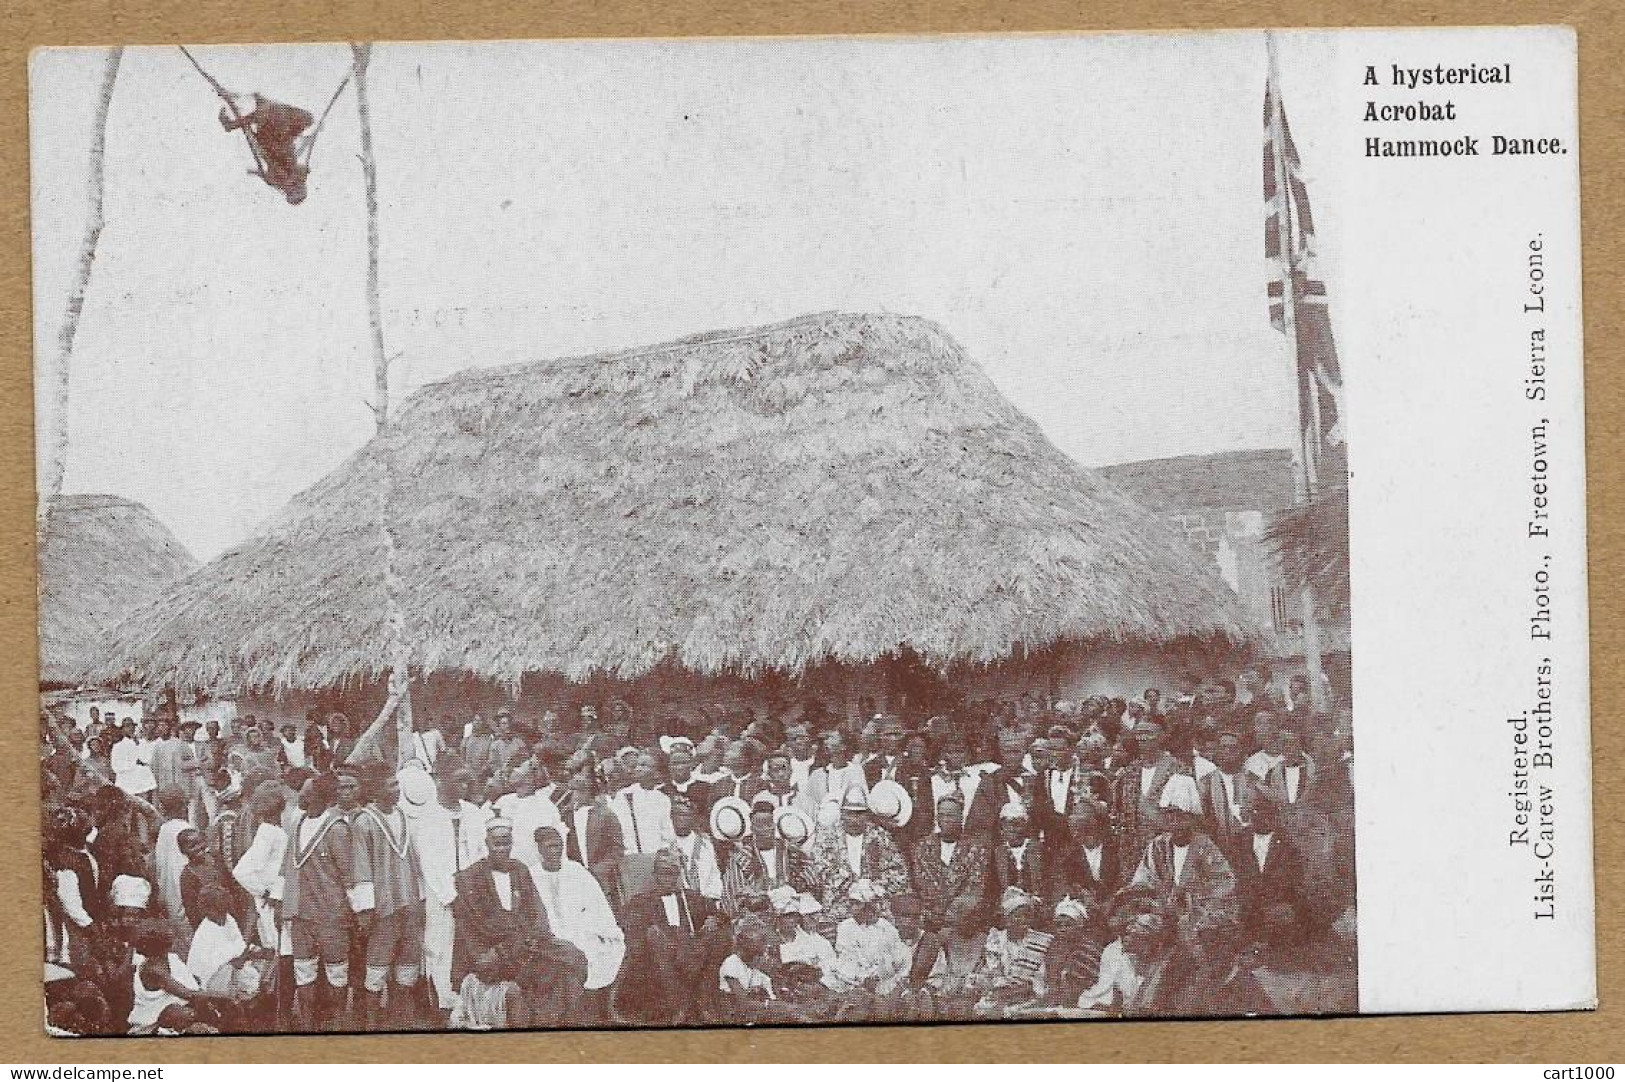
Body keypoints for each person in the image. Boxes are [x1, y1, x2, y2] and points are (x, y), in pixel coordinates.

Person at [450, 817, 589, 1028]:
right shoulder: (469, 877)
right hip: (492, 951)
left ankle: (553, 1024)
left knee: (572, 957)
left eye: (506, 843)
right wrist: (516, 940)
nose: (502, 849)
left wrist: (531, 937)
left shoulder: (519, 870)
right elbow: (479, 926)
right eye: (497, 843)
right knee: (536, 971)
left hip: (525, 944)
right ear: (486, 844)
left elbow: (537, 913)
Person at [350, 770, 427, 1030]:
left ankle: (399, 1018)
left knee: (408, 963)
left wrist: (422, 899)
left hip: (410, 903)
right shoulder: (364, 822)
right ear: (375, 790)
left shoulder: (403, 815)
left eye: (397, 784)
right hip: (384, 908)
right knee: (377, 966)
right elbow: (361, 869)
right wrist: (365, 911)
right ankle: (371, 1022)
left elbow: (414, 861)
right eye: (391, 785)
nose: (397, 789)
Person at [278, 774, 355, 1031]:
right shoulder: (298, 822)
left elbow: (349, 876)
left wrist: (355, 912)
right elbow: (287, 868)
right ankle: (309, 1026)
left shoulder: (337, 828)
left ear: (319, 797)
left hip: (331, 916)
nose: (300, 794)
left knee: (337, 974)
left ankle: (338, 1025)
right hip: (301, 915)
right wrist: (284, 904)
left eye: (305, 791)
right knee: (304, 974)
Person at [617, 848, 726, 1025]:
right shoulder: (641, 901)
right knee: (655, 938)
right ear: (655, 874)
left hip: (693, 951)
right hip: (661, 956)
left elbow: (719, 914)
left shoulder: (692, 897)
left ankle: (704, 1004)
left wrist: (712, 919)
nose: (669, 877)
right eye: (664, 872)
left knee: (719, 938)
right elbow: (631, 928)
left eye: (674, 872)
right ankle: (679, 1006)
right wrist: (651, 932)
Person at [410, 767, 487, 1019]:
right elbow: (429, 864)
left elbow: (480, 854)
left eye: (467, 781)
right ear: (440, 781)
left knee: (472, 946)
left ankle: (471, 1004)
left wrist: (474, 892)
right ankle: (444, 1005)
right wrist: (451, 897)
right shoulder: (427, 817)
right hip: (441, 897)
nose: (465, 786)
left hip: (473, 896)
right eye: (458, 780)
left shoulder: (474, 813)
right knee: (440, 948)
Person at [1130, 775, 1240, 947]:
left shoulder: (1206, 847)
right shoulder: (1157, 846)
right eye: (1169, 817)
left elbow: (1224, 886)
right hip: (1160, 917)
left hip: (1197, 921)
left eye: (1180, 817)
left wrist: (1187, 903)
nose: (1175, 824)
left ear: (1192, 818)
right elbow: (1142, 882)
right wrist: (1155, 904)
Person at [527, 826, 625, 1019]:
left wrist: (604, 932)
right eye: (551, 846)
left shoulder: (577, 871)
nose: (556, 851)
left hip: (582, 933)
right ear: (539, 849)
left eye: (559, 846)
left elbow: (599, 908)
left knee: (600, 953)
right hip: (549, 941)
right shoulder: (530, 876)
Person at [809, 785, 911, 927]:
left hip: (875, 905)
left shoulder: (880, 836)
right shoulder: (827, 837)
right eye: (850, 814)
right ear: (842, 813)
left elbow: (899, 871)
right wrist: (851, 885)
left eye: (860, 814)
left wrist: (875, 888)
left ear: (868, 814)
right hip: (839, 905)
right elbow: (820, 868)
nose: (855, 820)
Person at [722, 792, 813, 917]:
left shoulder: (789, 850)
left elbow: (811, 873)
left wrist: (799, 883)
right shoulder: (742, 858)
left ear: (774, 826)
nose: (766, 829)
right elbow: (735, 894)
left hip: (793, 909)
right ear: (752, 828)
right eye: (760, 825)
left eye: (769, 824)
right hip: (758, 913)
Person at [909, 792, 989, 931]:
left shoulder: (976, 849)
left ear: (961, 818)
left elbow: (974, 889)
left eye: (951, 815)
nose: (945, 820)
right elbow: (920, 884)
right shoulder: (922, 847)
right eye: (941, 815)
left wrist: (952, 916)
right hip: (928, 923)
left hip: (960, 924)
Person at [217, 92, 314, 204]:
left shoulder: (279, 179)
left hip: (271, 140)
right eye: (298, 185)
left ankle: (232, 124)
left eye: (292, 187)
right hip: (284, 138)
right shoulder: (297, 177)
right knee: (307, 119)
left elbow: (270, 171)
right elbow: (302, 171)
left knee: (273, 114)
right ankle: (250, 100)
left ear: (287, 191)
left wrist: (259, 172)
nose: (294, 183)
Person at [828, 878, 911, 998]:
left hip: (884, 980)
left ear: (868, 905)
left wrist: (880, 974)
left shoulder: (885, 927)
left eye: (857, 903)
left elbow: (898, 956)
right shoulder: (845, 927)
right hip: (855, 980)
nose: (852, 907)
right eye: (851, 903)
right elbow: (845, 958)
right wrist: (861, 977)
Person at [563, 769, 625, 911]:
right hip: (575, 879)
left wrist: (598, 870)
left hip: (602, 880)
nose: (574, 796)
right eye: (572, 791)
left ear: (588, 792)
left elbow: (617, 849)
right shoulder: (566, 815)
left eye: (578, 791)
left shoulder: (606, 815)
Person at [1199, 730, 1258, 857]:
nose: (1228, 751)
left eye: (1233, 748)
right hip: (1216, 850)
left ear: (1241, 751)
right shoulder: (1205, 783)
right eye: (1224, 747)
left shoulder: (1253, 780)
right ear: (1217, 751)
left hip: (1249, 851)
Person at [667, 793, 724, 900]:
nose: (681, 819)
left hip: (705, 899)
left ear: (693, 817)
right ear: (671, 816)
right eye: (678, 814)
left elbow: (714, 875)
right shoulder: (666, 843)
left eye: (685, 815)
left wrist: (712, 898)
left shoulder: (705, 844)